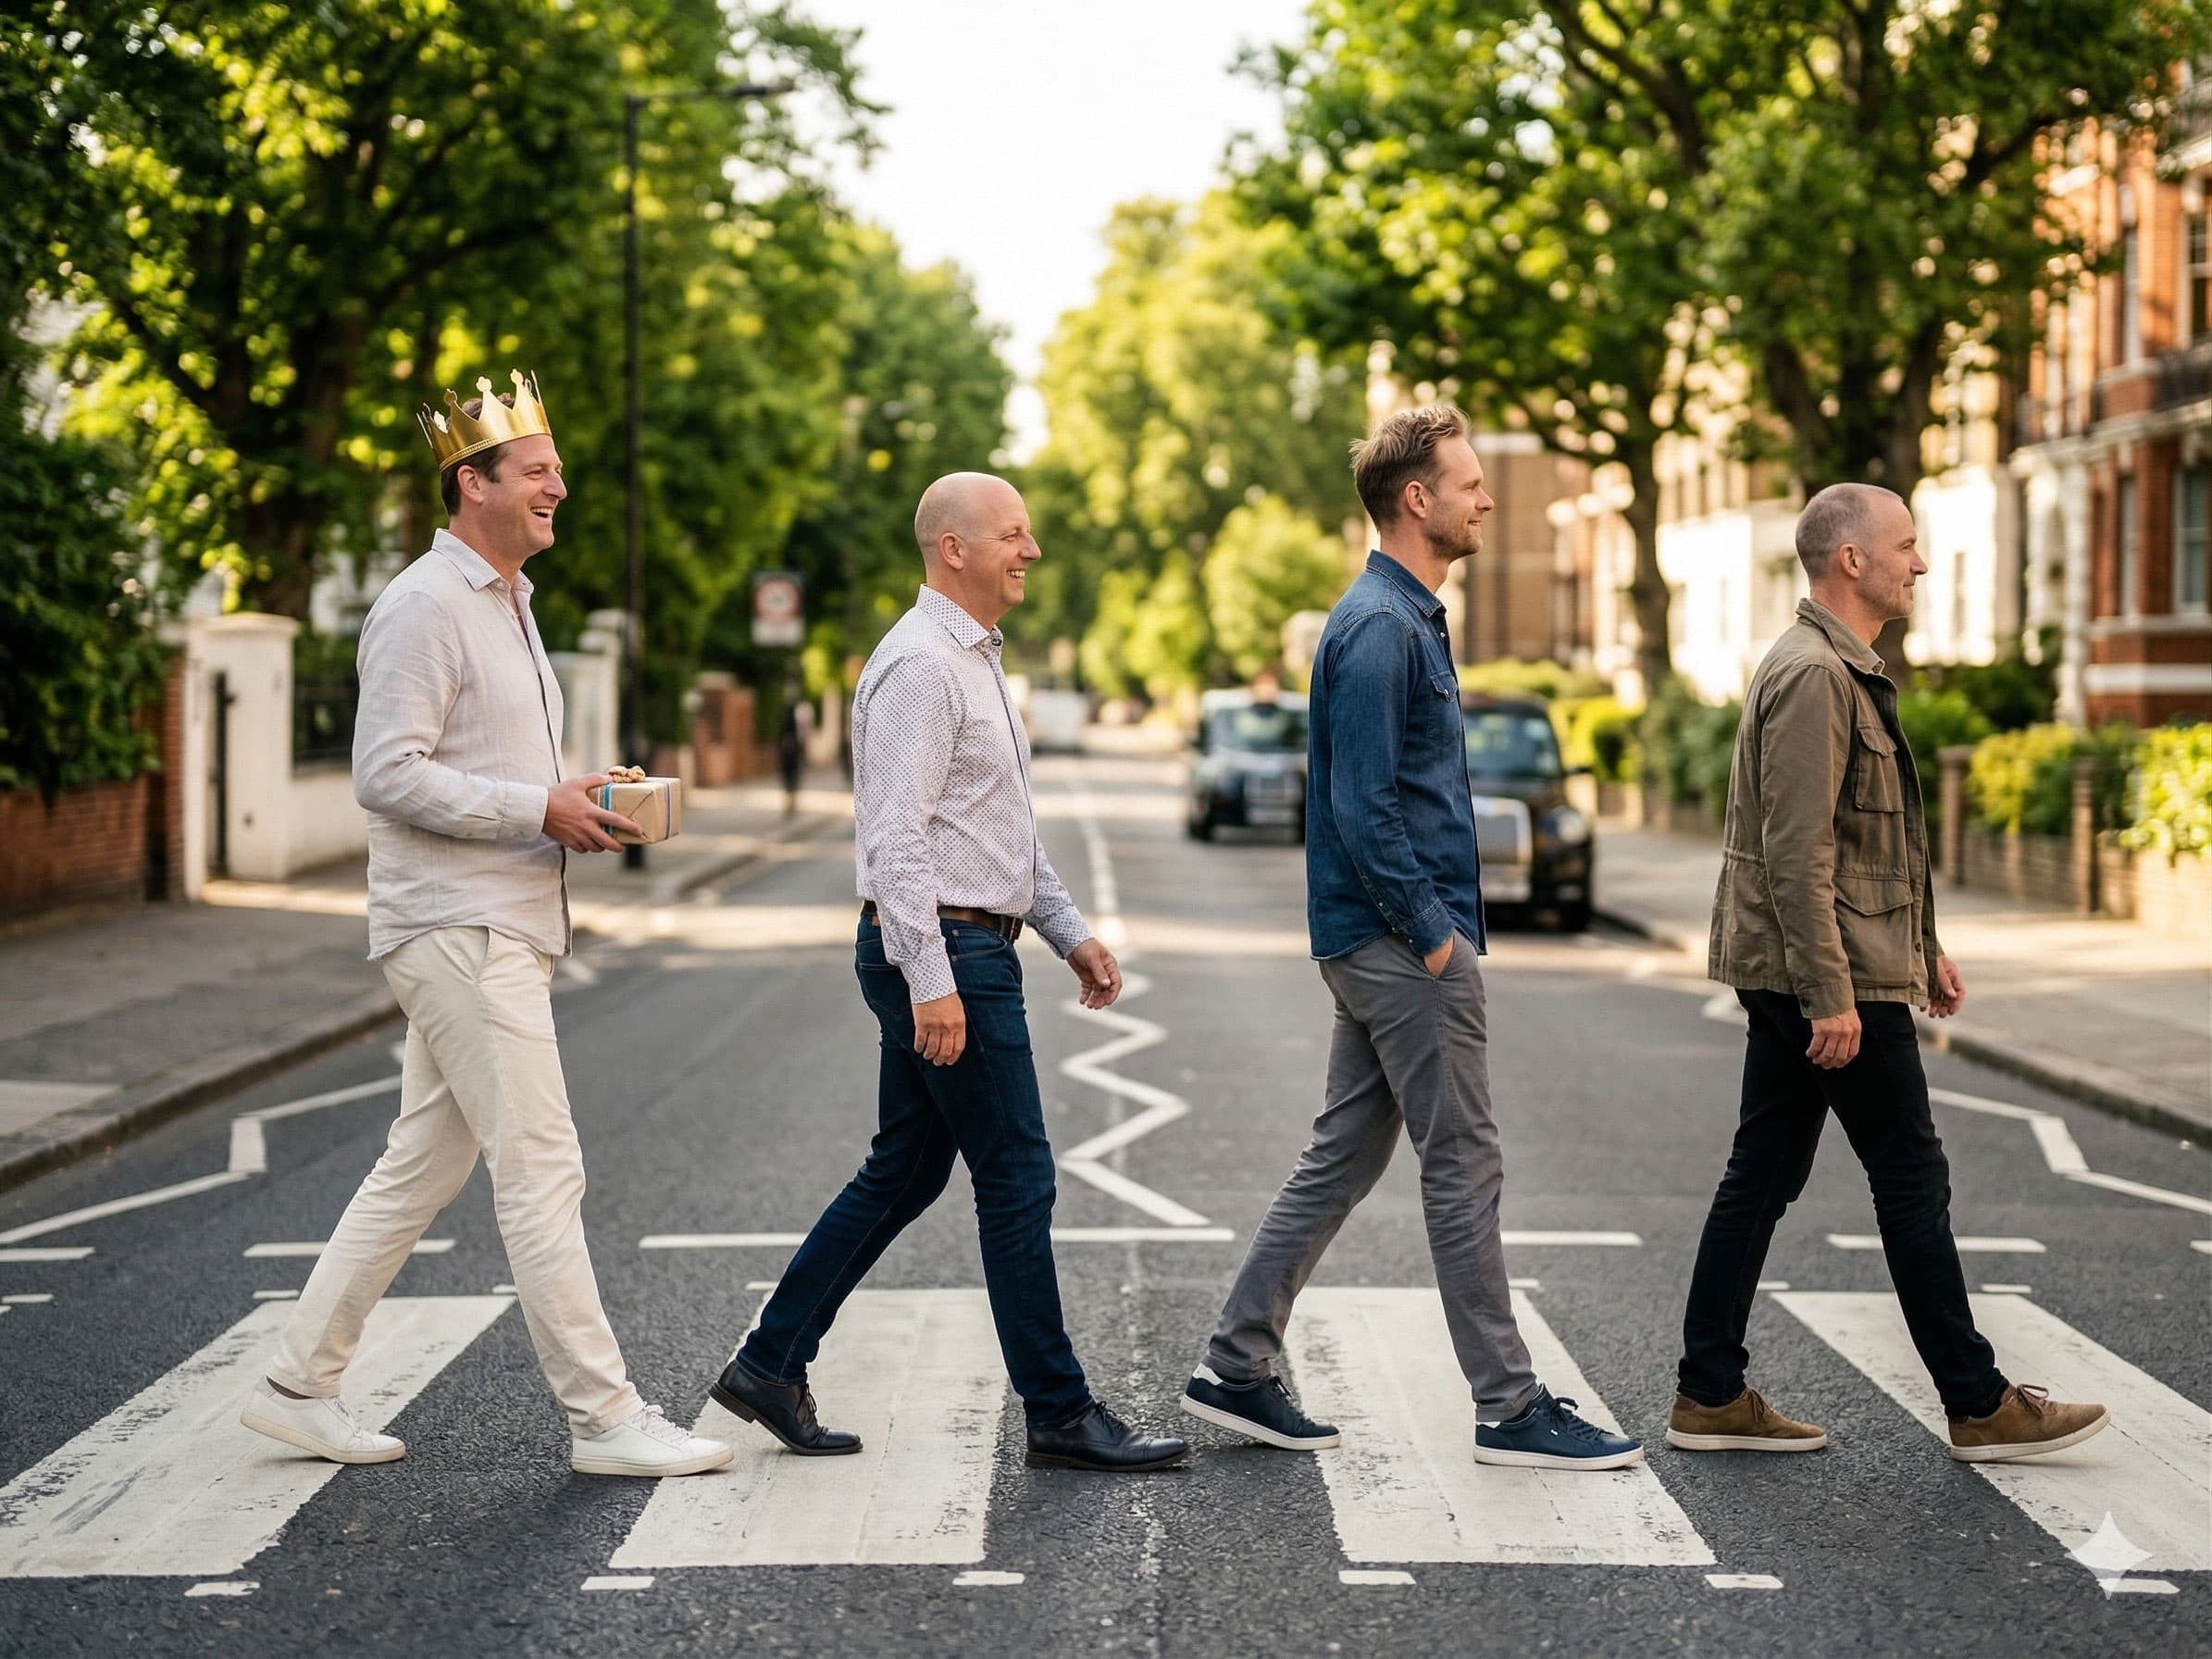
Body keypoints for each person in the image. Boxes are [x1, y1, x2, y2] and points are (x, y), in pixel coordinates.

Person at [240, 372, 731, 1479]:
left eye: (556, 467)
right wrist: (533, 806)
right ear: (473, 483)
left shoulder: (507, 601)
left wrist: (575, 792)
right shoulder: (422, 603)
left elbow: (481, 766)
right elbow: (383, 774)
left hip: (497, 918)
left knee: (421, 1165)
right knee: (543, 1164)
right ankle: (605, 1419)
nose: (561, 484)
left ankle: (297, 1380)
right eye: (539, 469)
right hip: (458, 928)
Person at [1181, 404, 1642, 1471]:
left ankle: (1235, 1362)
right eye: (1469, 482)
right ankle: (1507, 1405)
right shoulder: (1381, 626)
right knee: (1464, 1163)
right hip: (1399, 945)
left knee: (1341, 1156)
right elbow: (1358, 803)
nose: (1486, 497)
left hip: (1376, 941)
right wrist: (1437, 940)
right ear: (1416, 499)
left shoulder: (1402, 614)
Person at [706, 473, 1188, 1473]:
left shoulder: (971, 663)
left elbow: (994, 830)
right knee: (1016, 1177)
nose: (1033, 550)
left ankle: (766, 1362)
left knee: (908, 1167)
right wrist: (929, 977)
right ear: (952, 548)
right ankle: (1059, 1412)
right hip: (948, 952)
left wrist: (1067, 930)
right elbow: (897, 839)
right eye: (1013, 534)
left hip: (967, 940)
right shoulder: (922, 667)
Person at [1669, 481, 2107, 1463]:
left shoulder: (1835, 665)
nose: (1916, 561)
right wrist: (1832, 993)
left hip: (1836, 964)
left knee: (1764, 1172)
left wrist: (1920, 950)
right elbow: (1797, 851)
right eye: (1903, 545)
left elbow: (1870, 840)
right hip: (1822, 976)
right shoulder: (1816, 675)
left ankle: (1707, 1390)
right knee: (1908, 1173)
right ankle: (1976, 1399)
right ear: (1849, 561)